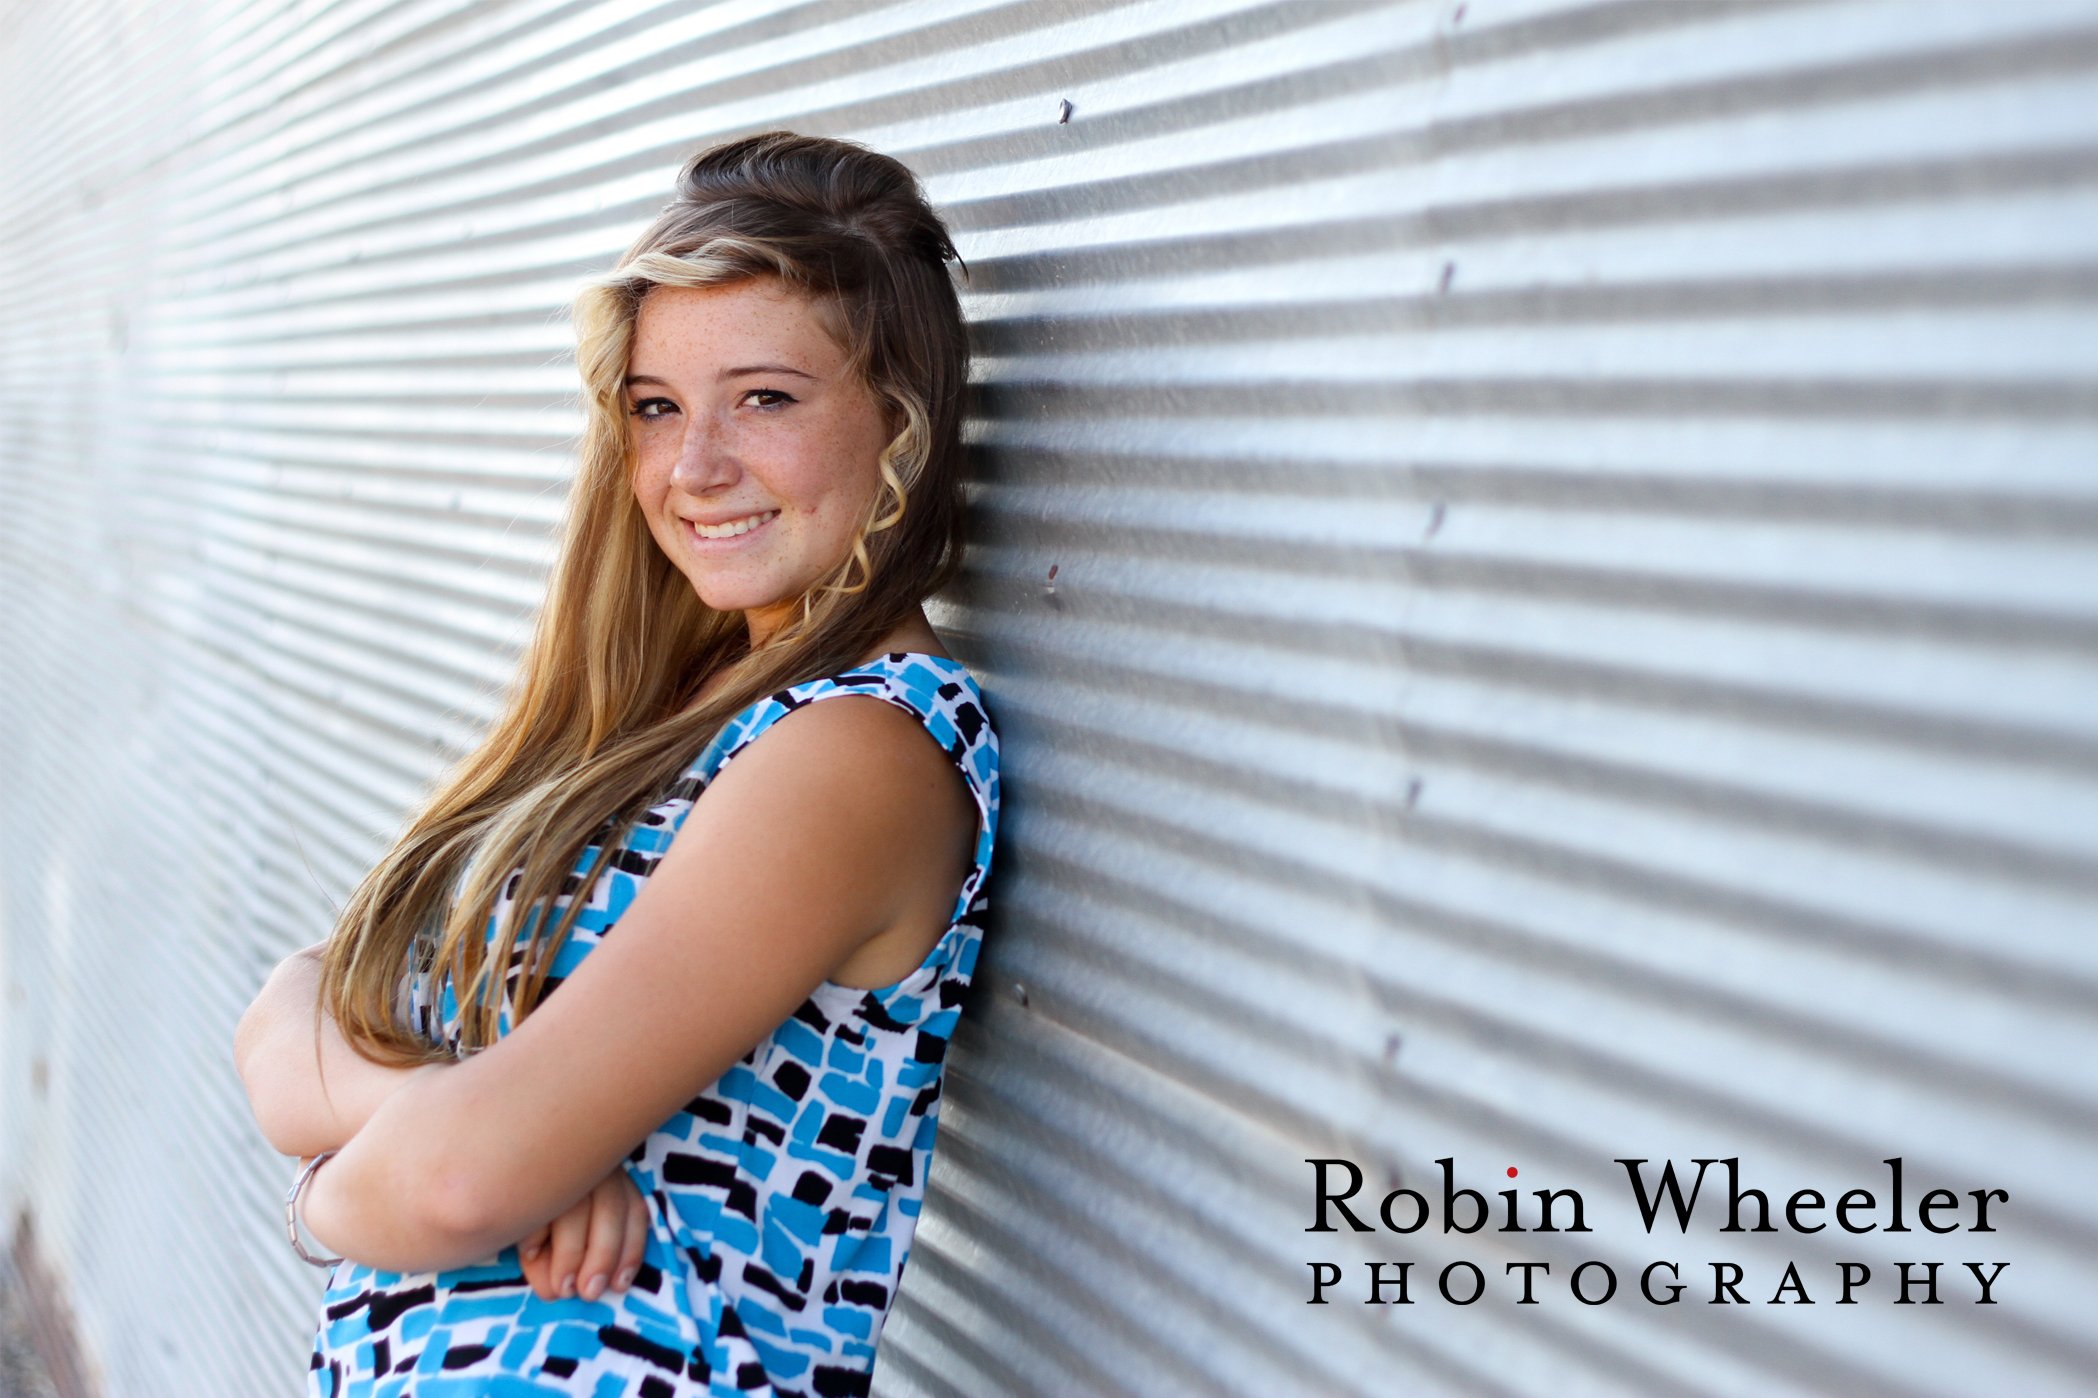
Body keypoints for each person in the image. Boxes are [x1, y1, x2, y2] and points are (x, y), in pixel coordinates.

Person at [234, 132, 997, 1398]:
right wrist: (441, 1122)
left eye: (765, 398)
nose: (693, 468)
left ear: (903, 425)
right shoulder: (668, 720)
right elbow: (291, 1011)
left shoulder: (855, 753)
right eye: (657, 408)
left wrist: (333, 1195)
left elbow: (456, 1181)